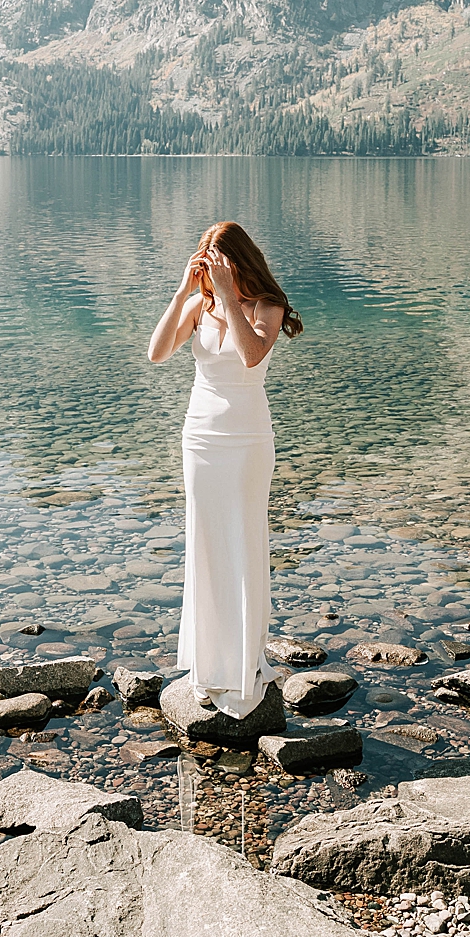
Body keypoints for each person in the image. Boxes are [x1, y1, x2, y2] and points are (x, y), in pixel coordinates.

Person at [146, 220, 305, 717]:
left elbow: (252, 356)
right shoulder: (199, 306)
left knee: (242, 539)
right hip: (200, 437)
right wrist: (183, 292)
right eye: (208, 261)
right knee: (207, 543)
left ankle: (243, 665)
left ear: (238, 261)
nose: (214, 270)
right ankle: (208, 664)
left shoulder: (265, 308)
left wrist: (226, 296)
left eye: (221, 262)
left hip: (246, 439)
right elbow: (155, 354)